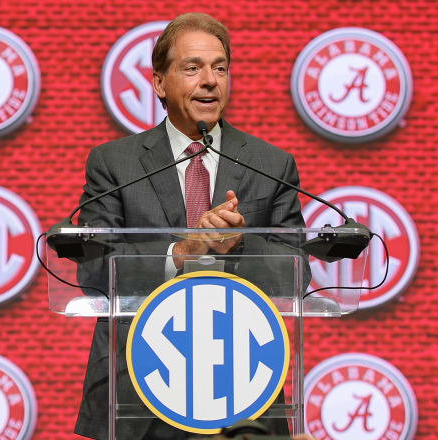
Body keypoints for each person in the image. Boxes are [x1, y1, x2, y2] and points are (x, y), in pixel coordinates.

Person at [74, 12, 307, 440]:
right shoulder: (115, 163)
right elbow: (93, 269)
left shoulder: (270, 164)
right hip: (137, 388)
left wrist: (239, 243)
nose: (210, 80)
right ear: (160, 83)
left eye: (220, 68)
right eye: (193, 67)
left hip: (243, 386)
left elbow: (296, 275)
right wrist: (182, 252)